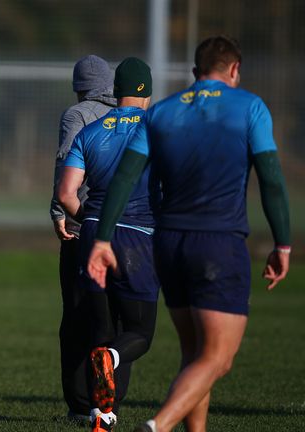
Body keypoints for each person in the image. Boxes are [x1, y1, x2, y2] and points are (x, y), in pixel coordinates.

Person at [86, 36, 290, 432]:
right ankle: (157, 427)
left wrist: (103, 239)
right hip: (218, 242)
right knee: (218, 358)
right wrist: (282, 242)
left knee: (194, 352)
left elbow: (125, 179)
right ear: (234, 70)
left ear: (195, 73)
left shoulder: (161, 112)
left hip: (167, 245)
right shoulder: (249, 106)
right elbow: (272, 180)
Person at [59, 57, 159, 432]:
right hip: (138, 237)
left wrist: (90, 217)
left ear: (116, 92)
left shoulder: (91, 132)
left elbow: (66, 193)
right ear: (146, 93)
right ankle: (112, 365)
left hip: (92, 234)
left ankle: (102, 415)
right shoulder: (156, 129)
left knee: (100, 331)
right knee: (138, 333)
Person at [50, 54, 130, 424]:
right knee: (119, 321)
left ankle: (82, 404)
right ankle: (111, 403)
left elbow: (67, 166)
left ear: (80, 87)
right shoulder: (133, 118)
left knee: (79, 318)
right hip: (130, 234)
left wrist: (59, 211)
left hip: (85, 230)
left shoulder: (77, 115)